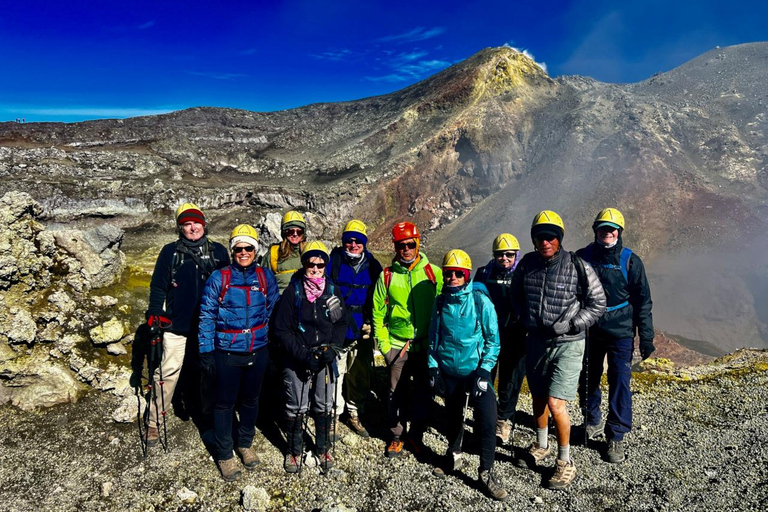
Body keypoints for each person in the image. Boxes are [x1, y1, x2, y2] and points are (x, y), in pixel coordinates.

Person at [510, 210, 606, 489]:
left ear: (559, 238)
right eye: (540, 237)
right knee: (538, 397)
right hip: (536, 341)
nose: (545, 241)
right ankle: (541, 445)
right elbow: (516, 296)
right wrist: (524, 317)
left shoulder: (577, 265)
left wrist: (573, 324)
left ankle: (565, 462)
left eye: (551, 236)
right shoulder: (527, 264)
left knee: (555, 402)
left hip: (568, 344)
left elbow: (597, 303)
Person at [141, 203, 229, 447]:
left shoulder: (219, 251)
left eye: (197, 222)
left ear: (204, 224)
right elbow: (159, 286)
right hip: (177, 326)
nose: (193, 228)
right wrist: (156, 313)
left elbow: (228, 287)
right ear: (180, 227)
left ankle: (209, 414)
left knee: (209, 371)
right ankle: (153, 422)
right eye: (187, 224)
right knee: (167, 372)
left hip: (210, 326)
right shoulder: (170, 252)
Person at [198, 225, 279, 481]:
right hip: (227, 352)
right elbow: (207, 315)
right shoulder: (218, 278)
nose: (243, 252)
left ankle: (244, 443)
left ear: (256, 250)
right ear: (232, 250)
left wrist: (269, 343)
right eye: (238, 249)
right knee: (224, 404)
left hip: (258, 350)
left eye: (248, 248)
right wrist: (206, 351)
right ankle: (224, 454)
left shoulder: (265, 277)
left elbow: (272, 311)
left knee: (251, 400)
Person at [576, 208, 654, 463]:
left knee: (620, 380)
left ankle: (616, 435)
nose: (607, 232)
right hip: (590, 328)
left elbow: (643, 302)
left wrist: (646, 337)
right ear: (596, 231)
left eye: (612, 229)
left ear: (619, 232)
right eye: (603, 228)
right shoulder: (582, 257)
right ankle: (591, 419)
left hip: (620, 331)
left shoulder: (631, 261)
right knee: (588, 376)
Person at [428, 249, 507, 500]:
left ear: (467, 275)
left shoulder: (480, 301)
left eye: (458, 274)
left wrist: (484, 371)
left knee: (486, 420)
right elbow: (433, 338)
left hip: (475, 372)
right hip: (449, 371)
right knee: (452, 417)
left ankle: (486, 471)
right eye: (448, 273)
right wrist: (432, 366)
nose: (452, 278)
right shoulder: (440, 302)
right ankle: (453, 456)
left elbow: (493, 341)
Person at [273, 241, 348, 474]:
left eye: (320, 265)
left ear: (326, 266)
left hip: (325, 357)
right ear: (304, 264)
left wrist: (332, 349)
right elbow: (282, 330)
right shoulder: (292, 293)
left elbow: (342, 324)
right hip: (298, 357)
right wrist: (304, 356)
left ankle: (323, 447)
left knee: (324, 405)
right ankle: (294, 451)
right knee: (297, 406)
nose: (315, 269)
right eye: (310, 264)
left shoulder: (333, 292)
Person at [372, 221, 443, 458]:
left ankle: (417, 435)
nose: (406, 249)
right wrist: (385, 348)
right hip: (397, 346)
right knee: (395, 394)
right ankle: (396, 436)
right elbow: (377, 314)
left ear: (417, 243)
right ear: (395, 247)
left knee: (425, 393)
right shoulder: (387, 276)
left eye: (410, 244)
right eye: (401, 245)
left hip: (425, 346)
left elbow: (446, 306)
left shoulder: (433, 273)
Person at [328, 220, 383, 438]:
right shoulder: (334, 260)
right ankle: (332, 415)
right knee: (336, 372)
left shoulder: (373, 265)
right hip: (338, 326)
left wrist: (373, 322)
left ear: (364, 243)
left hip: (363, 328)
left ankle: (354, 411)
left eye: (357, 241)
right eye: (349, 241)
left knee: (359, 373)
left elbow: (379, 296)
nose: (353, 245)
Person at [474, 233, 526, 444]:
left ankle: (503, 420)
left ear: (516, 255)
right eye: (500, 255)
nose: (504, 258)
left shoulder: (525, 273)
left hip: (516, 335)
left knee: (511, 380)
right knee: (486, 376)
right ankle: (486, 417)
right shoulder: (484, 273)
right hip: (489, 336)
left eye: (509, 255)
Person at [265, 211, 307, 294]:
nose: (295, 234)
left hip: (304, 301)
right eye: (290, 231)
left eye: (299, 231)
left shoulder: (308, 251)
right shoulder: (274, 253)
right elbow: (264, 279)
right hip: (280, 301)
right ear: (284, 232)